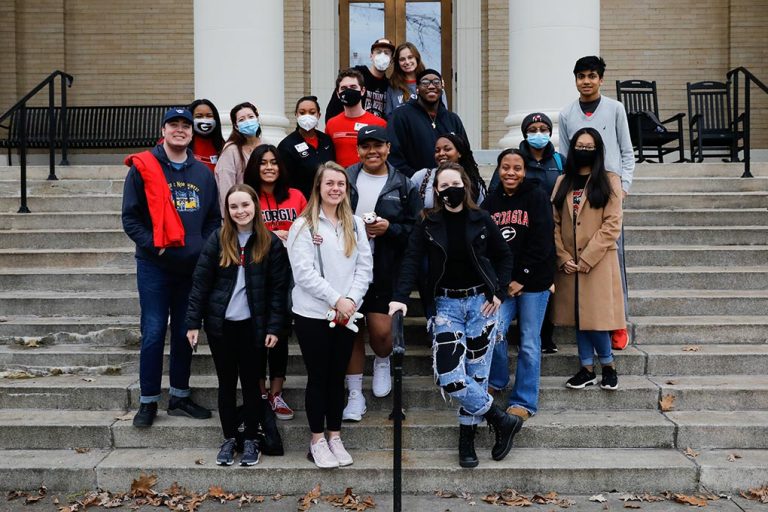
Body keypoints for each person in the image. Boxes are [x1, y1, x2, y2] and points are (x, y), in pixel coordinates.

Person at [388, 162, 521, 469]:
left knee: (477, 375)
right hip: (446, 306)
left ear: (466, 185)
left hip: (481, 304)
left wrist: (499, 292)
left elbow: (504, 256)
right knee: (450, 377)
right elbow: (410, 261)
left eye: (455, 184)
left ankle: (467, 441)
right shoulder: (428, 223)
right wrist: (399, 298)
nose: (451, 190)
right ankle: (500, 419)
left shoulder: (482, 218)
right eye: (444, 186)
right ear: (436, 191)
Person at [122, 107, 220, 428]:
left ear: (192, 133)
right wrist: (153, 243)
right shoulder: (144, 167)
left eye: (185, 125)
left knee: (184, 333)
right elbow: (131, 219)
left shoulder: (203, 173)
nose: (180, 129)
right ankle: (148, 400)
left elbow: (213, 221)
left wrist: (203, 249)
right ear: (163, 129)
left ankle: (179, 396)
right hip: (155, 266)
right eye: (173, 124)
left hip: (191, 268)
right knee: (152, 332)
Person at [186, 184, 289, 466]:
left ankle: (252, 440)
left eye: (245, 205)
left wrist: (274, 328)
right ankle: (230, 437)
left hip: (253, 327)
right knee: (226, 384)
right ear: (227, 210)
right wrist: (193, 322)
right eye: (234, 206)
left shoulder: (270, 243)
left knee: (252, 384)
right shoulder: (218, 239)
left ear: (255, 206)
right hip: (222, 327)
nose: (240, 211)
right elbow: (201, 283)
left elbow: (279, 291)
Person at [287, 162, 373, 468]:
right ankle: (316, 440)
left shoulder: (356, 224)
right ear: (318, 188)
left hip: (346, 313)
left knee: (338, 376)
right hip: (313, 314)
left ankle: (335, 436)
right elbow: (303, 273)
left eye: (341, 183)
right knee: (319, 377)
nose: (336, 188)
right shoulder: (303, 226)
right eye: (330, 184)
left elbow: (364, 268)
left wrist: (350, 299)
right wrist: (336, 298)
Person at [341, 126, 422, 422]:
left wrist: (390, 229)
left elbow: (416, 230)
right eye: (365, 146)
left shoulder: (403, 184)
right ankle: (354, 394)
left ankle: (383, 361)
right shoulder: (344, 179)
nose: (371, 151)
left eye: (377, 145)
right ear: (358, 149)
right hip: (346, 269)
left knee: (382, 333)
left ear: (388, 148)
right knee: (350, 331)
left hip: (386, 269)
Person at [558, 56, 633, 350]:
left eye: (591, 76)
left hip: (607, 188)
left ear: (601, 79)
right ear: (575, 79)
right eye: (580, 76)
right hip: (580, 190)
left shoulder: (615, 109)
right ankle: (583, 316)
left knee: (613, 262)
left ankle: (618, 324)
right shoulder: (567, 114)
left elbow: (627, 150)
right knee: (581, 254)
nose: (586, 81)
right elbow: (567, 156)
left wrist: (623, 187)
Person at [482, 148, 555, 424]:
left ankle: (524, 400)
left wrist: (522, 277)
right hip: (503, 285)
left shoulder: (536, 196)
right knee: (495, 331)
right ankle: (498, 380)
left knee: (528, 342)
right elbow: (486, 246)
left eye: (517, 168)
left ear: (525, 171)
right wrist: (502, 283)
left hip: (534, 282)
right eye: (505, 167)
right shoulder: (490, 202)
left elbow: (542, 241)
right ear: (498, 170)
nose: (510, 173)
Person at [551, 128, 625, 391]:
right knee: (579, 316)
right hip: (569, 262)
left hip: (599, 261)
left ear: (597, 151)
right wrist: (562, 256)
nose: (583, 151)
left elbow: (612, 225)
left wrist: (587, 257)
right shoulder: (563, 181)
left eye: (589, 147)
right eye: (579, 146)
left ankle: (608, 365)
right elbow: (554, 223)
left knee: (594, 317)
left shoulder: (610, 180)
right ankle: (586, 368)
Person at [489, 112, 564, 354]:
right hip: (515, 236)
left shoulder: (559, 161)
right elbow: (495, 199)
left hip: (549, 227)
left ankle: (547, 335)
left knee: (545, 289)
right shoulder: (514, 160)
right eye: (533, 129)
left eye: (544, 129)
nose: (539, 134)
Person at [243, 144, 308, 420]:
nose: (269, 167)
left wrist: (290, 234)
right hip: (256, 272)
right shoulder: (247, 196)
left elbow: (309, 230)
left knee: (279, 331)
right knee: (257, 333)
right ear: (254, 167)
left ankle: (276, 393)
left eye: (273, 163)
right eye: (262, 163)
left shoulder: (295, 196)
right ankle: (259, 392)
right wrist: (270, 235)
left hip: (289, 274)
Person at [387, 69, 468, 177]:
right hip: (412, 186)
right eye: (425, 83)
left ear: (441, 88)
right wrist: (419, 181)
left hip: (450, 184)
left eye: (436, 82)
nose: (431, 86)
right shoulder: (400, 116)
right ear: (417, 89)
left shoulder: (453, 119)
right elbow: (394, 156)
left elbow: (466, 155)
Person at [325, 69, 388, 168]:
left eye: (353, 87)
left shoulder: (379, 124)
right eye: (344, 88)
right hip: (342, 180)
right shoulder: (331, 124)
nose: (349, 90)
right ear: (338, 93)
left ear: (362, 91)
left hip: (369, 178)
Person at [277, 95, 336, 200]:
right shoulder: (287, 145)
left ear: (319, 115)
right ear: (296, 115)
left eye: (312, 112)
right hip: (302, 202)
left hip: (328, 199)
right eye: (302, 112)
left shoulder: (326, 140)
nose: (307, 116)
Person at [325, 38, 394, 121]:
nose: (382, 56)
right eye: (378, 52)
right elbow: (333, 110)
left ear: (391, 60)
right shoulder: (355, 77)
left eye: (386, 53)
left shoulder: (389, 86)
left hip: (377, 131)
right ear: (371, 56)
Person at [411, 133, 487, 208]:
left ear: (459, 153)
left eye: (447, 149)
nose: (441, 153)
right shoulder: (422, 176)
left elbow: (480, 209)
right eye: (437, 151)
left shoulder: (473, 180)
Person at [215, 101, 263, 217]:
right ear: (236, 126)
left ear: (257, 119)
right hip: (241, 213)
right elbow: (226, 187)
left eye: (251, 117)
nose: (247, 121)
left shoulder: (267, 146)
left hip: (265, 210)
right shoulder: (231, 150)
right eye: (241, 120)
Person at [188, 98, 225, 172]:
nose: (204, 120)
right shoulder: (183, 143)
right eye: (199, 116)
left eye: (209, 116)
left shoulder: (223, 145)